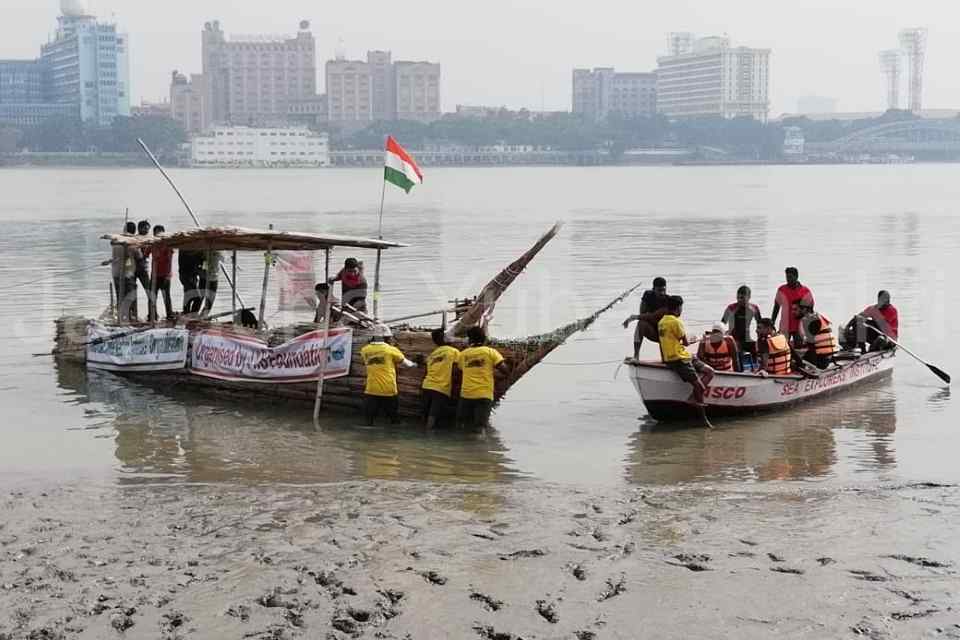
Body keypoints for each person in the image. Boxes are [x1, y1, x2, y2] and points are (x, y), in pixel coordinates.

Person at [658, 295, 714, 406]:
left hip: (678, 357)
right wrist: (696, 339)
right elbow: (686, 342)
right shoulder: (676, 322)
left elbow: (672, 341)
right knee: (701, 386)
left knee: (709, 370)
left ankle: (695, 399)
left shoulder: (661, 322)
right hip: (679, 360)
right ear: (678, 308)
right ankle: (695, 402)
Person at [360, 325, 415, 425]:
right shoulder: (390, 349)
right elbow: (407, 364)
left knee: (368, 421)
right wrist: (416, 364)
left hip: (371, 389)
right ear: (385, 337)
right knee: (394, 419)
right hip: (388, 389)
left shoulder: (365, 350)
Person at [457, 326, 509, 429]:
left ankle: (459, 444)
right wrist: (494, 374)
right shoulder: (490, 352)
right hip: (484, 395)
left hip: (466, 394)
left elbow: (461, 369)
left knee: (461, 426)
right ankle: (480, 445)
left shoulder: (463, 355)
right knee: (480, 428)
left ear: (470, 339)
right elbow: (504, 370)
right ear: (484, 338)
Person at [420, 328, 461, 430]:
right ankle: (428, 436)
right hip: (441, 388)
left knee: (425, 413)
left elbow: (426, 371)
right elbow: (457, 369)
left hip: (427, 386)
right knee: (433, 415)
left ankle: (422, 435)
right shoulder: (454, 351)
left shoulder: (433, 354)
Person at [623, 276, 670, 360]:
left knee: (666, 360)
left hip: (664, 333)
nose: (662, 293)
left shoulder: (668, 300)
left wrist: (634, 317)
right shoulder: (648, 295)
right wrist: (642, 317)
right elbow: (643, 315)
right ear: (653, 289)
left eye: (664, 290)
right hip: (652, 329)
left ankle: (666, 359)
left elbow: (654, 316)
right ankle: (636, 356)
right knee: (641, 324)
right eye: (659, 290)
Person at [771, 267, 814, 342]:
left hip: (799, 325)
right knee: (782, 345)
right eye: (787, 277)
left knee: (799, 345)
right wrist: (772, 321)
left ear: (796, 276)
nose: (788, 279)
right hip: (785, 324)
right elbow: (776, 307)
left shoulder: (805, 291)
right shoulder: (781, 290)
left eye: (790, 277)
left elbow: (810, 308)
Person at [796, 298, 838, 369]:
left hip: (822, 359)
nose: (794, 312)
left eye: (797, 309)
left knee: (796, 361)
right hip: (830, 354)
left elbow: (811, 345)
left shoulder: (808, 320)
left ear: (805, 309)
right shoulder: (818, 315)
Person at [721, 285, 762, 358]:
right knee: (738, 353)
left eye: (742, 298)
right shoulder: (731, 308)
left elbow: (760, 325)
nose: (739, 300)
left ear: (749, 297)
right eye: (738, 297)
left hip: (747, 339)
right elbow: (722, 324)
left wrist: (760, 339)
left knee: (759, 349)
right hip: (734, 339)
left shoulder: (754, 308)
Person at [148, 225, 174, 321]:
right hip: (154, 275)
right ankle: (152, 316)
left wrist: (167, 276)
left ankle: (169, 315)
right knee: (152, 297)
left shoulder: (167, 245)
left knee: (166, 297)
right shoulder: (152, 244)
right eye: (156, 233)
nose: (158, 235)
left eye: (160, 232)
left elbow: (169, 260)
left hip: (165, 275)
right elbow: (145, 254)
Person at [178, 249, 204, 314]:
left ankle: (188, 313)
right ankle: (190, 313)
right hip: (186, 275)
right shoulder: (185, 250)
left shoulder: (190, 251)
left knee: (188, 295)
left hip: (190, 275)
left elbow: (200, 262)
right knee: (197, 297)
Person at [199, 249, 222, 316]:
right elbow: (203, 261)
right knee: (201, 297)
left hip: (212, 277)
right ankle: (197, 314)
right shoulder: (206, 250)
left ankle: (203, 315)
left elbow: (223, 259)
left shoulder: (219, 251)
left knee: (209, 299)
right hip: (207, 277)